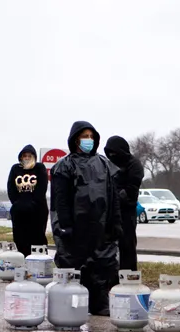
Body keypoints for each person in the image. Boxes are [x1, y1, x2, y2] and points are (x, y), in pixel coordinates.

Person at [50, 120, 123, 316]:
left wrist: (116, 222)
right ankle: (71, 305)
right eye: (85, 136)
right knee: (74, 264)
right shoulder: (64, 166)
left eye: (91, 137)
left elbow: (114, 197)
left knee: (102, 263)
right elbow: (60, 199)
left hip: (100, 225)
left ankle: (99, 304)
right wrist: (65, 224)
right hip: (76, 226)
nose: (88, 140)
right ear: (75, 140)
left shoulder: (105, 165)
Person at [104, 136, 144, 271]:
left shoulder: (134, 165)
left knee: (127, 244)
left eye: (114, 153)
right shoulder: (108, 164)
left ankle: (128, 274)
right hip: (109, 211)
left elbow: (131, 190)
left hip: (126, 211)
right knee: (108, 245)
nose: (112, 156)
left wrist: (114, 197)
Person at [6, 145, 49, 257]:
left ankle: (40, 261)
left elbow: (42, 186)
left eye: (29, 156)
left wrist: (33, 202)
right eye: (24, 156)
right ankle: (23, 260)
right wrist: (17, 203)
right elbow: (11, 187)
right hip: (19, 210)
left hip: (37, 209)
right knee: (20, 238)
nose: (27, 158)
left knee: (37, 237)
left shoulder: (39, 167)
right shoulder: (15, 169)